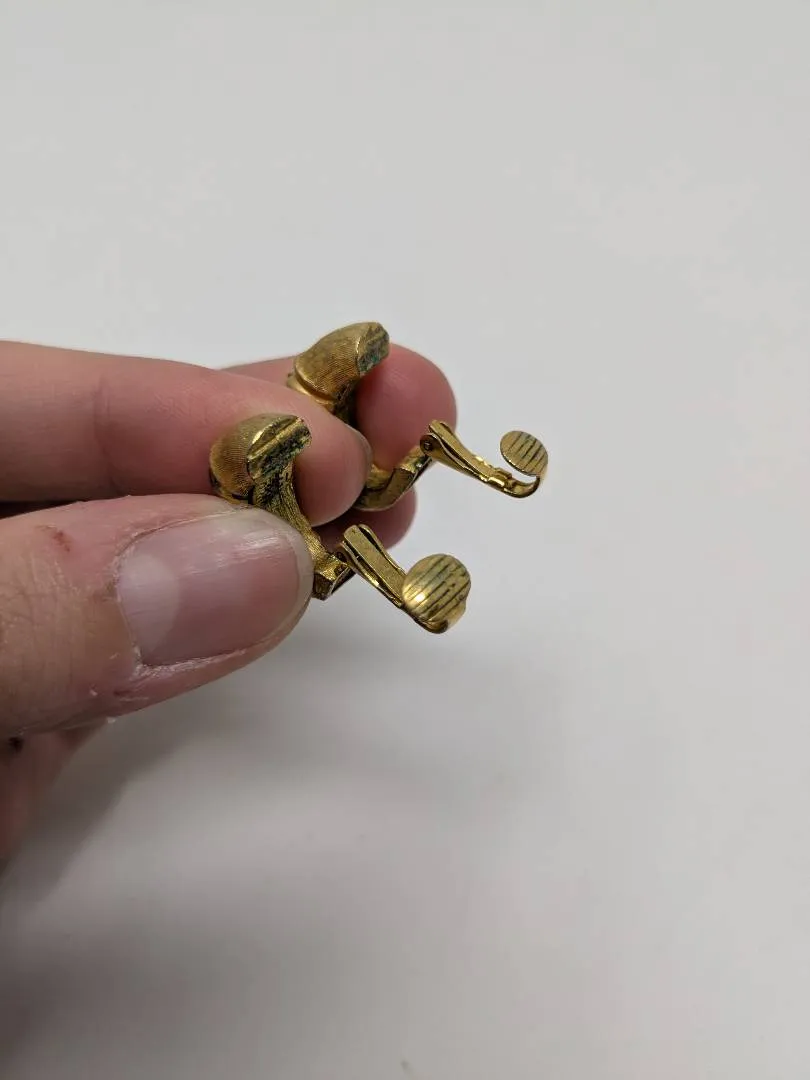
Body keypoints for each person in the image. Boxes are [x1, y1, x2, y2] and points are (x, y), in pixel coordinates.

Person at [0, 337, 456, 858]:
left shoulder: (292, 479)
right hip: (280, 520)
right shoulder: (261, 505)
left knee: (356, 500)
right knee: (344, 527)